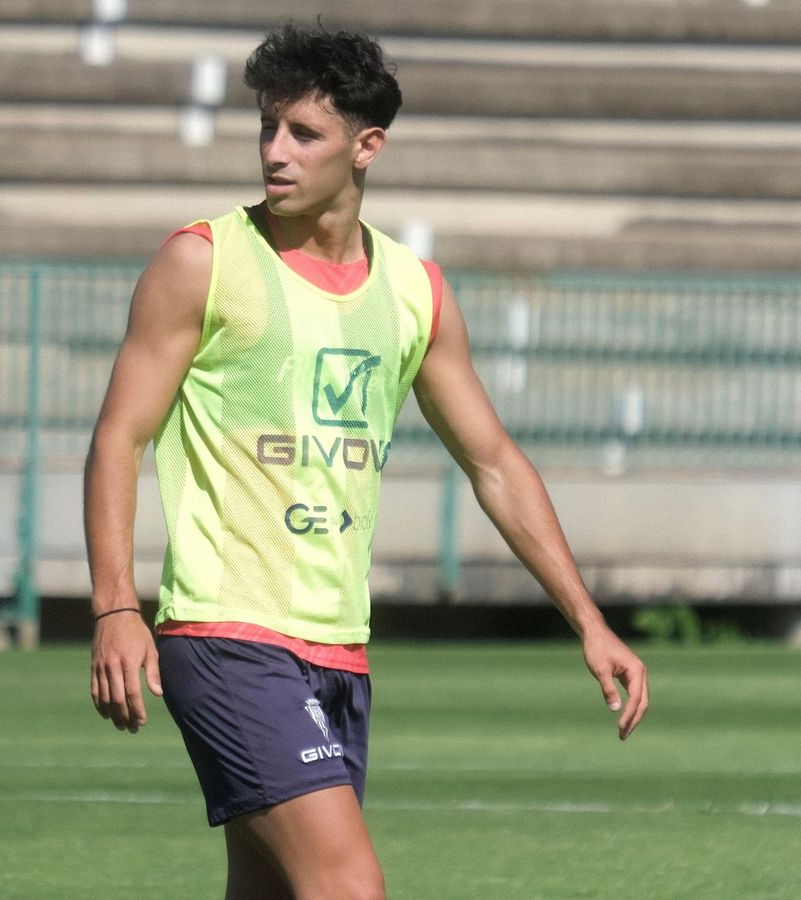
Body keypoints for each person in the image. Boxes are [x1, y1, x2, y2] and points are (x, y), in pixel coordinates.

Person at [84, 24, 648, 898]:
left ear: (366, 146)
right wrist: (116, 607)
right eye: (267, 128)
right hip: (227, 636)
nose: (275, 152)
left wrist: (588, 619)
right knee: (350, 887)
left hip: (341, 650)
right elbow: (118, 438)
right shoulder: (203, 262)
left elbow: (494, 463)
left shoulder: (415, 290)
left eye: (302, 133)